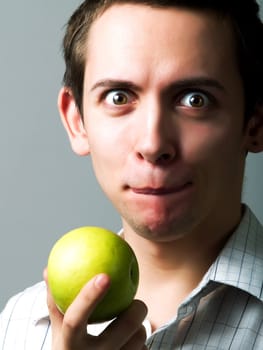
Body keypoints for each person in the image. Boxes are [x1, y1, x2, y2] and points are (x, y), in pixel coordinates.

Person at [1, 0, 263, 349]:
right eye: (118, 96)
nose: (153, 144)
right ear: (77, 121)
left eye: (195, 100)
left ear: (256, 122)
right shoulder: (16, 327)